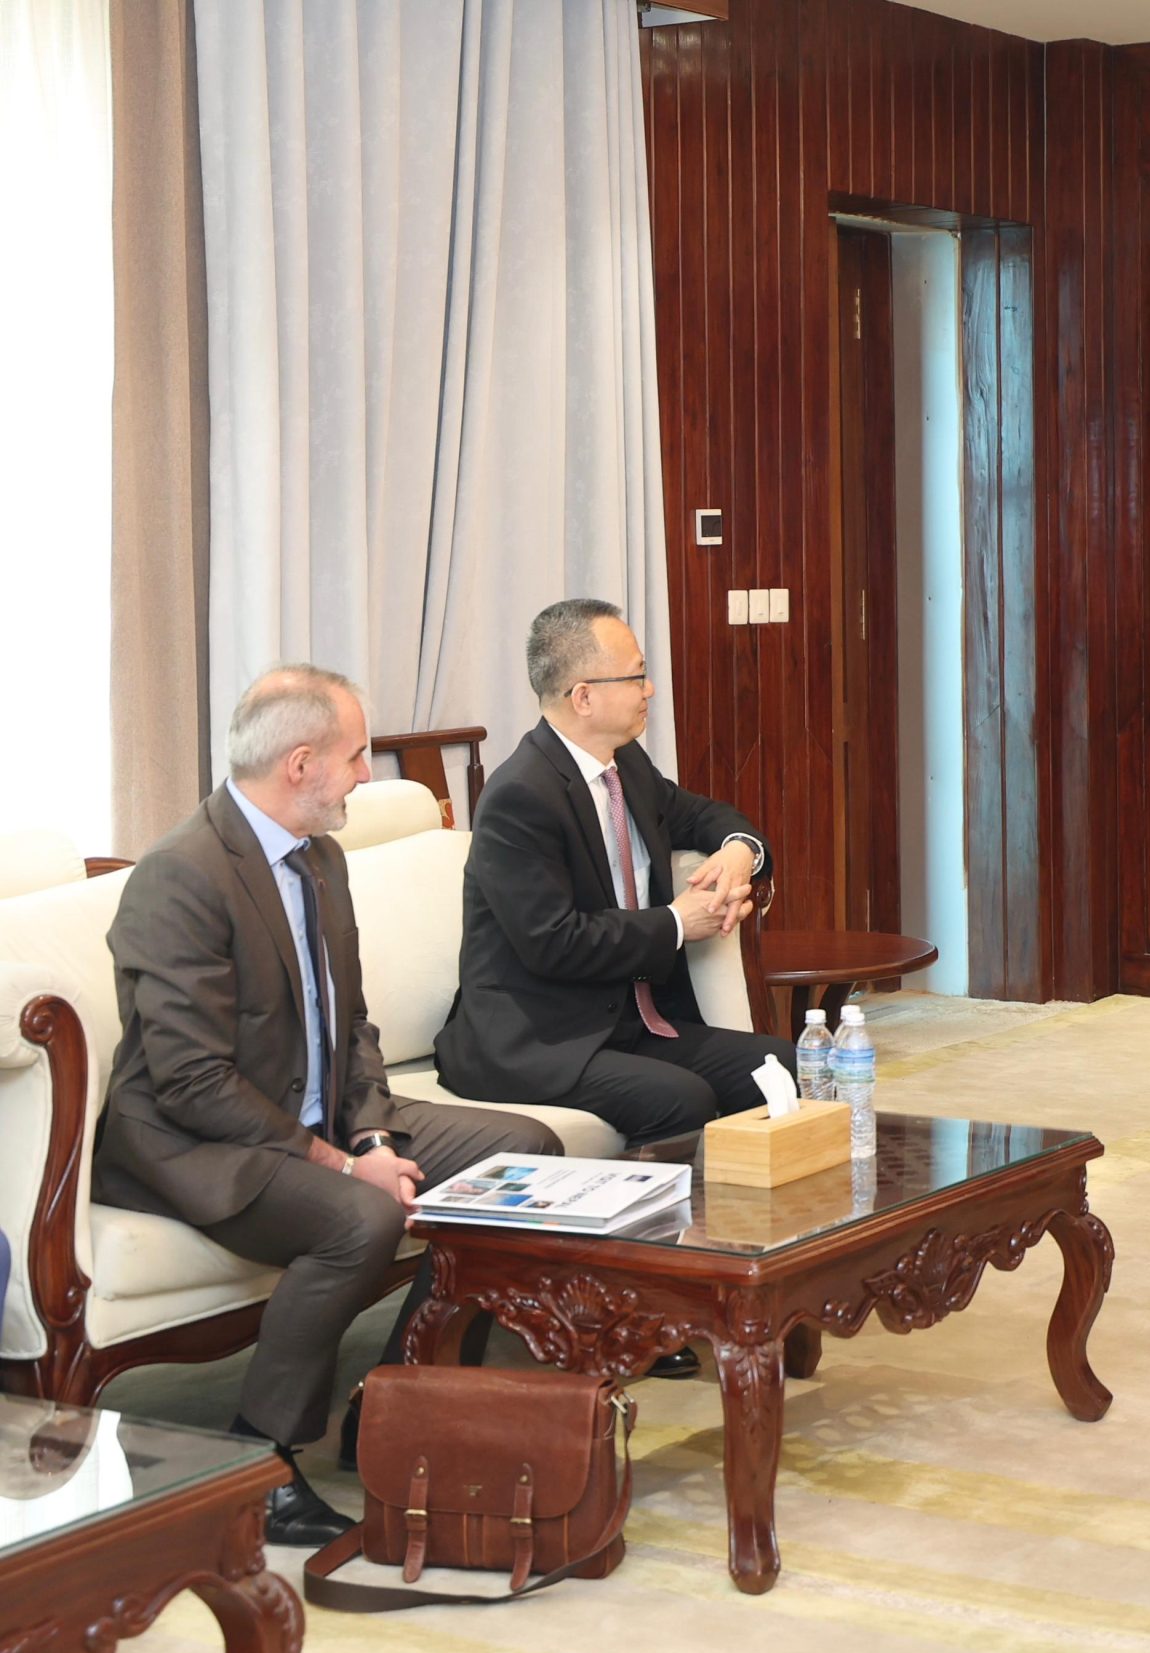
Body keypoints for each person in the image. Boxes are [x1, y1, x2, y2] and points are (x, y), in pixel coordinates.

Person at [94, 667, 562, 1546]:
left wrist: (373, 1132)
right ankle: (257, 1463)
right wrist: (349, 1165)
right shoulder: (181, 876)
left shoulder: (319, 856)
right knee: (362, 1217)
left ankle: (392, 1404)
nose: (364, 775)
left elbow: (350, 1025)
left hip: (310, 1117)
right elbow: (192, 1082)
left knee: (524, 1150)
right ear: (300, 763)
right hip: (194, 1141)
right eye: (354, 757)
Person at [435, 599, 790, 1153]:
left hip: (629, 1022)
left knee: (781, 1065)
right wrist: (677, 923)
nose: (650, 690)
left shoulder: (625, 766)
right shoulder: (520, 796)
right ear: (584, 697)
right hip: (540, 1038)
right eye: (636, 676)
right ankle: (658, 1213)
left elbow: (701, 815)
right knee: (681, 1099)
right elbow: (553, 942)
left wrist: (740, 850)